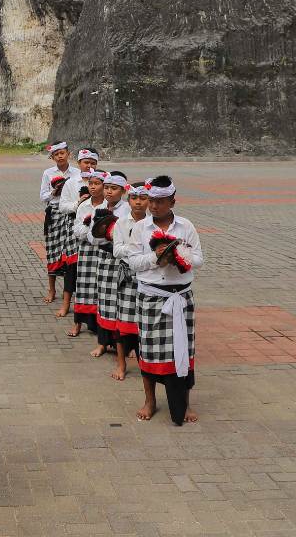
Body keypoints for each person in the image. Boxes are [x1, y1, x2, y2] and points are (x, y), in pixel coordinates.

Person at [128, 175, 202, 426]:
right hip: (152, 296)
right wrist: (155, 257)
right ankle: (150, 400)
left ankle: (186, 402)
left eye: (160, 201)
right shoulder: (140, 228)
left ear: (172, 201)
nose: (154, 206)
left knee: (183, 351)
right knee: (148, 351)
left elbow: (200, 259)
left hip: (181, 296)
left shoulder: (186, 226)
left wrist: (180, 255)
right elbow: (133, 262)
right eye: (151, 200)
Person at [88, 170, 131, 356]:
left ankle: (128, 346)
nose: (109, 192)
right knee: (104, 301)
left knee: (123, 302)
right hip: (105, 259)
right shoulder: (99, 209)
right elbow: (91, 236)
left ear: (123, 191)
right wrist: (105, 236)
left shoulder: (127, 210)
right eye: (106, 188)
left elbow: (129, 237)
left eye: (114, 188)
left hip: (122, 260)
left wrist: (114, 238)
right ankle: (103, 343)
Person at [111, 182, 150, 381]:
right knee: (123, 323)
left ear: (150, 201)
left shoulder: (154, 223)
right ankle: (121, 363)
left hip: (149, 277)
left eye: (143, 198)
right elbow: (117, 250)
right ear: (129, 200)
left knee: (145, 322)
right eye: (134, 198)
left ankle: (146, 362)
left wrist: (133, 249)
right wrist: (135, 250)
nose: (138, 202)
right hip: (127, 275)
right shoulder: (122, 222)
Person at [54, 148, 97, 316]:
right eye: (86, 162)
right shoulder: (72, 182)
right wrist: (78, 203)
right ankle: (66, 304)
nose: (89, 166)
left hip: (95, 228)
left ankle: (92, 306)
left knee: (92, 268)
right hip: (74, 225)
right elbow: (62, 206)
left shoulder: (101, 181)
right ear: (79, 163)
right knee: (72, 267)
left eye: (93, 163)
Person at [69, 168, 109, 343]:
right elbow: (76, 229)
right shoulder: (83, 205)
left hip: (103, 250)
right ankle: (78, 322)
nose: (92, 187)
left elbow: (108, 231)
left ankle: (102, 325)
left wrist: (95, 233)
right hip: (85, 250)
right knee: (84, 284)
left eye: (97, 184)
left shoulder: (108, 206)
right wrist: (90, 230)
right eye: (90, 184)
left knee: (101, 286)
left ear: (104, 186)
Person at [40, 142, 78, 306]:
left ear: (68, 154)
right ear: (52, 157)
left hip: (71, 213)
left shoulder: (76, 173)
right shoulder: (48, 173)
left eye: (62, 153)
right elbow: (42, 196)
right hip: (54, 212)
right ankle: (51, 289)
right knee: (53, 250)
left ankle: (68, 291)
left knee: (71, 252)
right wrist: (53, 192)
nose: (60, 156)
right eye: (56, 154)